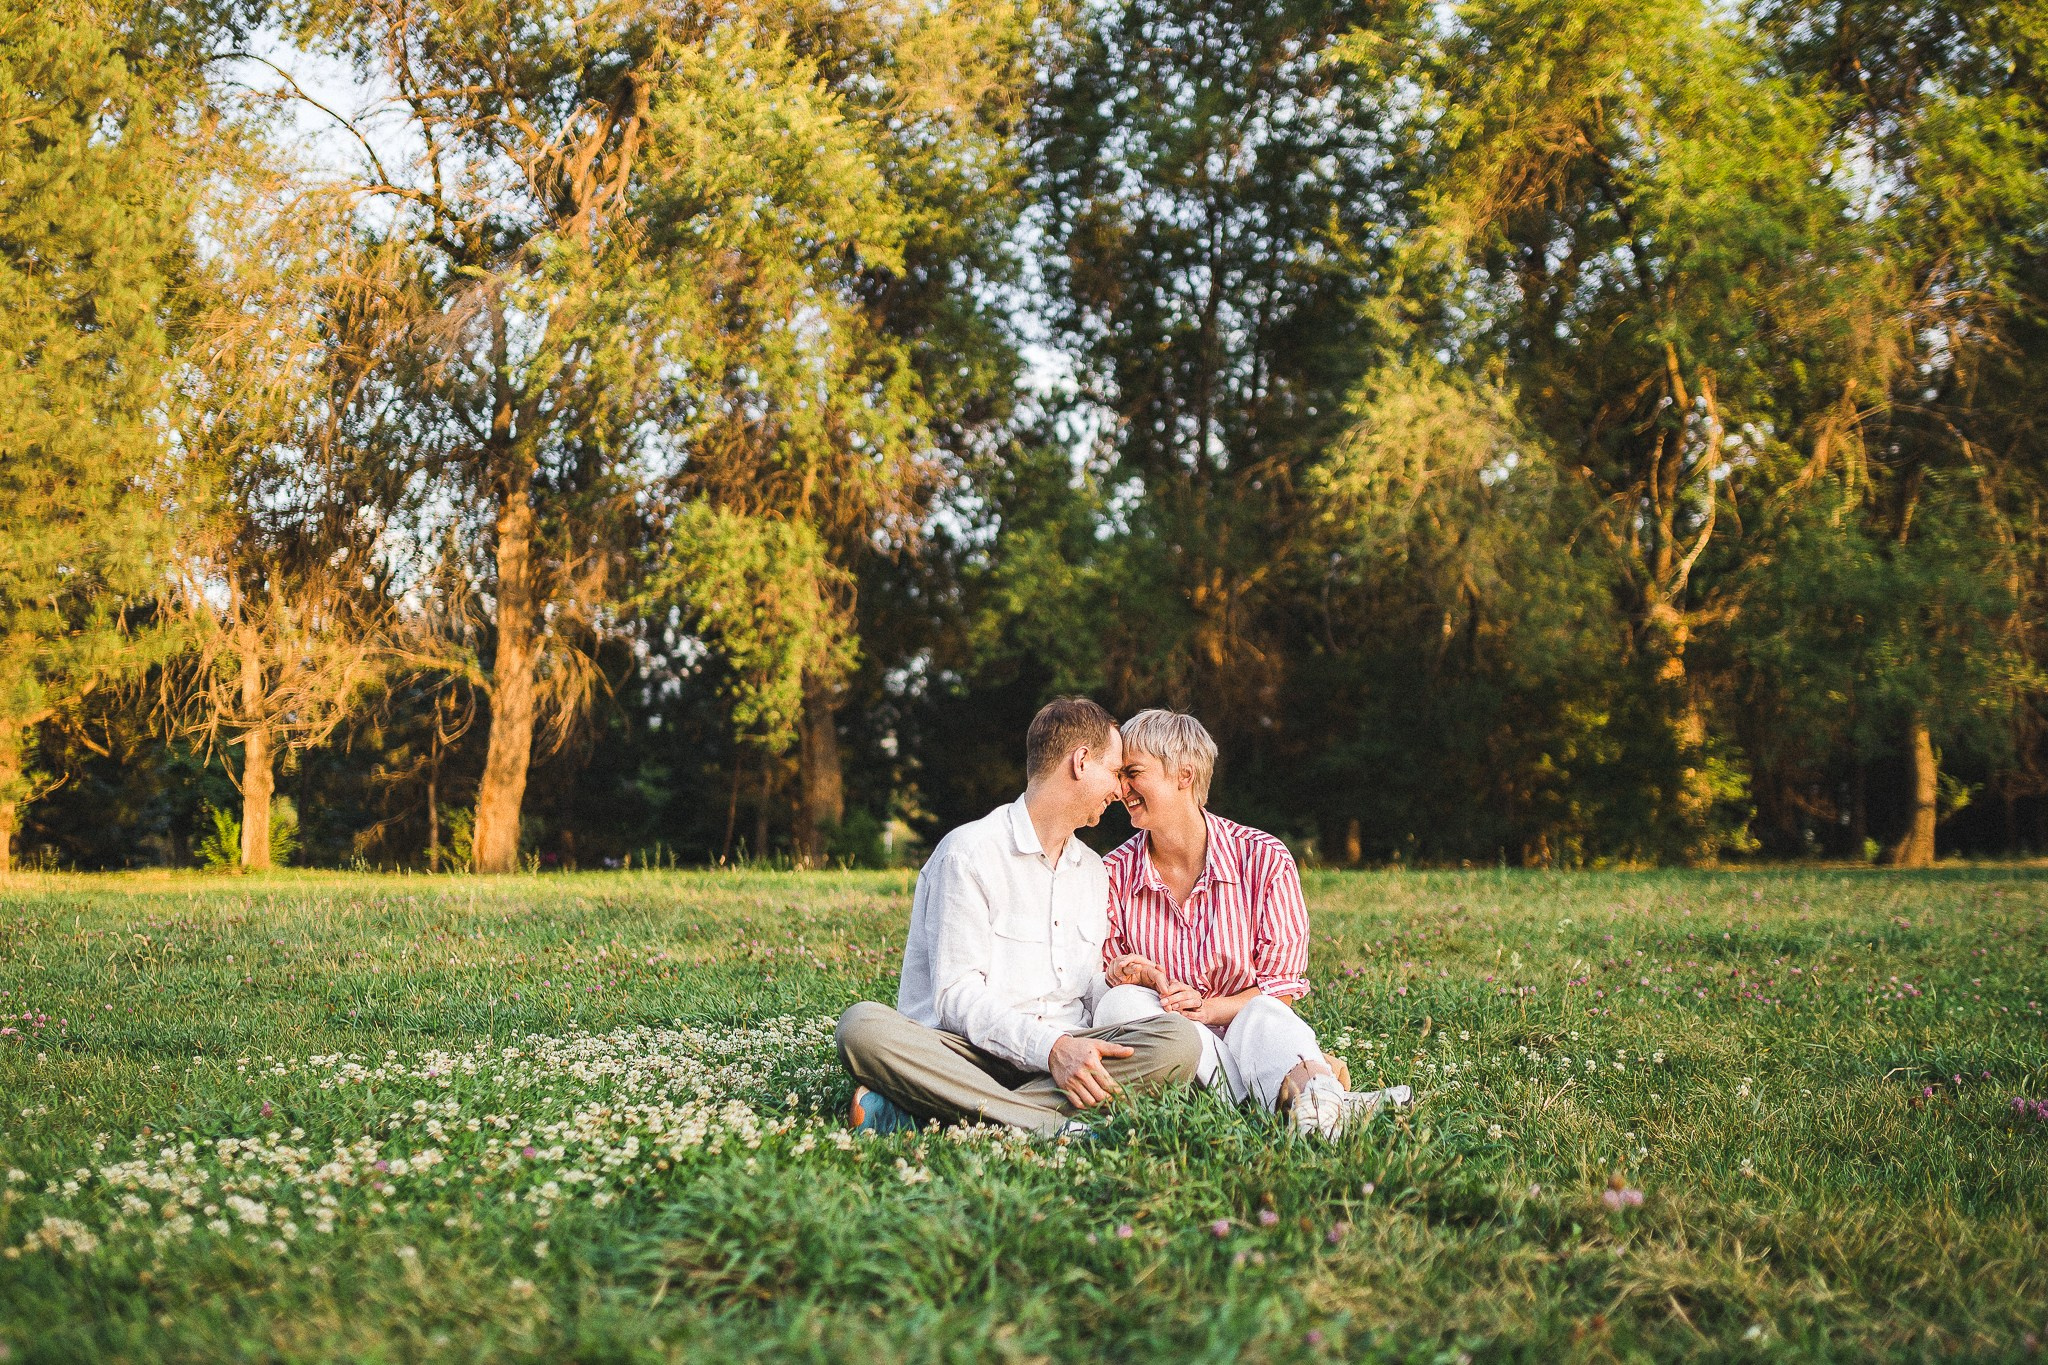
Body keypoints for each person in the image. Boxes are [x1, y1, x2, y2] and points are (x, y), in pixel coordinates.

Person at [834, 698, 1205, 1137]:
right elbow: (956, 996)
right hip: (966, 1053)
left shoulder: (1091, 870)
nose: (1121, 790)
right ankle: (1051, 1124)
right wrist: (1051, 1049)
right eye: (1114, 771)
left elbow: (1080, 988)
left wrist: (1115, 979)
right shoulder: (968, 853)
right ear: (1081, 762)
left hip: (1066, 1053)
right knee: (861, 1027)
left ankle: (946, 1109)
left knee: (1179, 1041)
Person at [1093, 708, 1409, 1138]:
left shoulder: (1264, 859)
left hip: (1254, 1035)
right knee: (1120, 1004)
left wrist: (1209, 1008)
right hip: (1180, 1048)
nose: (1120, 788)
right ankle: (1313, 1093)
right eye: (1119, 775)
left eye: (1132, 773)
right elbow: (1108, 975)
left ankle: (1303, 1098)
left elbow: (1280, 989)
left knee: (1263, 1011)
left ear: (1184, 775)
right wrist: (1135, 975)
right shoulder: (1112, 873)